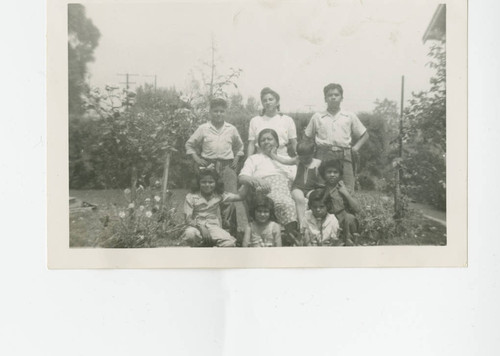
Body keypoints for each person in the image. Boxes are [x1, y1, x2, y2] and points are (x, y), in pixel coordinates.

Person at [185, 98, 247, 232]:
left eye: (221, 111)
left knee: (229, 200)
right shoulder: (203, 128)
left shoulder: (231, 129)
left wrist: (236, 157)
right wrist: (197, 158)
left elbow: (240, 146)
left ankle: (230, 233)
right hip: (209, 167)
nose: (218, 114)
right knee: (205, 200)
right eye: (215, 111)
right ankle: (202, 230)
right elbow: (189, 144)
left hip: (227, 166)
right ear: (210, 112)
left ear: (225, 112)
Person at [239, 128, 300, 246]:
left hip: (287, 189)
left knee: (305, 203)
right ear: (259, 144)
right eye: (263, 140)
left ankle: (302, 239)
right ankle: (293, 241)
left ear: (277, 142)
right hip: (265, 190)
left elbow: (297, 179)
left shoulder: (287, 159)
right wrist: (256, 180)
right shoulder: (255, 158)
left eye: (270, 139)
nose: (266, 142)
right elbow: (242, 177)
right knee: (287, 204)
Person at [304, 83, 369, 191]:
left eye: (336, 95)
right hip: (323, 155)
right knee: (321, 187)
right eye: (330, 95)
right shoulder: (317, 117)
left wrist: (355, 148)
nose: (333, 97)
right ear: (325, 98)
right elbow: (306, 137)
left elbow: (365, 135)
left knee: (347, 188)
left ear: (341, 98)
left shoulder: (349, 116)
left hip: (344, 155)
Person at [267, 141, 322, 230]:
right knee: (300, 200)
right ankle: (302, 224)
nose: (304, 160)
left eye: (307, 158)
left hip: (310, 188)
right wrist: (273, 155)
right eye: (302, 158)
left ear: (313, 153)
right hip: (298, 187)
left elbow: (323, 176)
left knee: (315, 198)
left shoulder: (318, 163)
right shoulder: (298, 160)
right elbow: (284, 161)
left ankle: (316, 224)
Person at [182, 168, 243, 247]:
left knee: (230, 243)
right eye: (203, 182)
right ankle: (198, 249)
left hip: (213, 227)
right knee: (190, 234)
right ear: (198, 183)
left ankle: (212, 250)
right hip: (196, 227)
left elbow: (240, 197)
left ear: (216, 183)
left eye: (211, 182)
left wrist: (247, 182)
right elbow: (188, 219)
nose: (207, 185)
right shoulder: (191, 197)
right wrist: (201, 228)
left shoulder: (219, 196)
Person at [318, 159, 360, 245]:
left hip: (344, 221)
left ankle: (349, 242)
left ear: (340, 174)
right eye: (329, 172)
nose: (332, 175)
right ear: (324, 174)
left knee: (349, 218)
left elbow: (357, 209)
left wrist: (346, 193)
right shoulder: (321, 190)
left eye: (335, 172)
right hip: (328, 221)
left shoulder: (345, 188)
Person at [247, 87, 298, 159]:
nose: (268, 102)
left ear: (277, 102)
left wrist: (301, 160)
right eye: (265, 100)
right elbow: (251, 144)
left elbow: (294, 143)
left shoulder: (287, 120)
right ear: (262, 103)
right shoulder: (255, 121)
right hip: (260, 158)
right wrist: (248, 161)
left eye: (271, 99)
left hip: (282, 158)